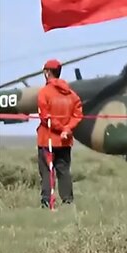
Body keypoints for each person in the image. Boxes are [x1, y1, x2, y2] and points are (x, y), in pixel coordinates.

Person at [36, 59, 83, 208]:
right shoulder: (72, 95)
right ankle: (68, 201)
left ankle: (46, 201)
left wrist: (61, 129)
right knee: (64, 171)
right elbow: (78, 115)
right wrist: (67, 129)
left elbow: (45, 117)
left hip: (47, 140)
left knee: (47, 172)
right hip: (65, 141)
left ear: (47, 72)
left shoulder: (44, 93)